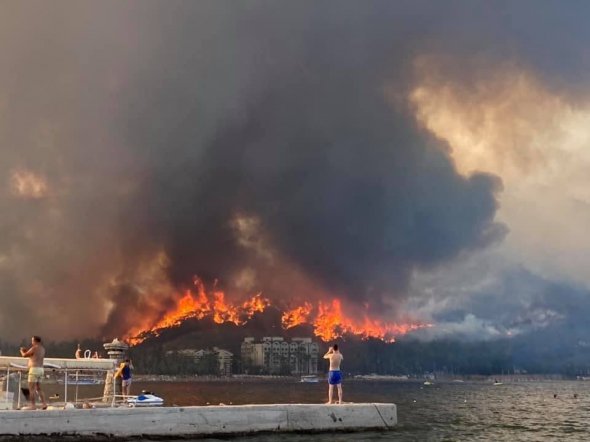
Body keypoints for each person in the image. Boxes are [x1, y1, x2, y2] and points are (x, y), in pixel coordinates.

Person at [20, 336, 47, 410]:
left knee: (31, 389)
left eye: (32, 341)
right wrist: (27, 352)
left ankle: (33, 406)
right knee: (39, 388)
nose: (32, 342)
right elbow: (33, 356)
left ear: (35, 341)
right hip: (41, 369)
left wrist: (22, 351)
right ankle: (44, 404)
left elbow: (24, 355)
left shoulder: (34, 348)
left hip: (34, 369)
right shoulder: (42, 349)